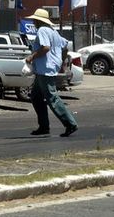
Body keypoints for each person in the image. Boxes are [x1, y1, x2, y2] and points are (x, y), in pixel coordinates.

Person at [25, 8, 78, 137]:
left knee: (52, 97)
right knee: (36, 97)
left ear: (38, 20)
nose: (33, 22)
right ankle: (43, 126)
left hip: (45, 69)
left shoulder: (42, 30)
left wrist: (32, 57)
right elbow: (65, 46)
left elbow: (46, 48)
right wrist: (60, 60)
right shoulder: (53, 31)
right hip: (46, 69)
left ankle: (70, 123)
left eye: (34, 20)